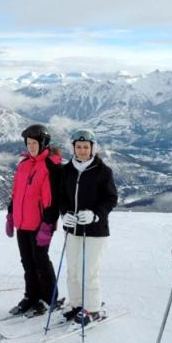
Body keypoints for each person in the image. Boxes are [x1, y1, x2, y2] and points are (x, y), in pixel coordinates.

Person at [57, 128, 118, 326]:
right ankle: (76, 305)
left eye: (86, 147)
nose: (82, 150)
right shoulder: (66, 171)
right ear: (73, 148)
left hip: (95, 231)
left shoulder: (102, 171)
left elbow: (111, 199)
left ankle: (92, 309)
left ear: (93, 148)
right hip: (72, 229)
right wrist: (64, 213)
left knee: (88, 271)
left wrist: (95, 215)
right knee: (73, 270)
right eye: (78, 147)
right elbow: (62, 198)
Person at [6, 124, 61, 317]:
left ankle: (49, 298)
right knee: (27, 262)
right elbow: (16, 192)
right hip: (22, 223)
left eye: (34, 143)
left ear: (43, 143)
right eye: (28, 143)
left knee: (41, 261)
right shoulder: (24, 164)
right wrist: (11, 214)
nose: (30, 146)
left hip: (40, 225)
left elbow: (52, 200)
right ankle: (32, 295)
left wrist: (48, 224)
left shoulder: (49, 166)